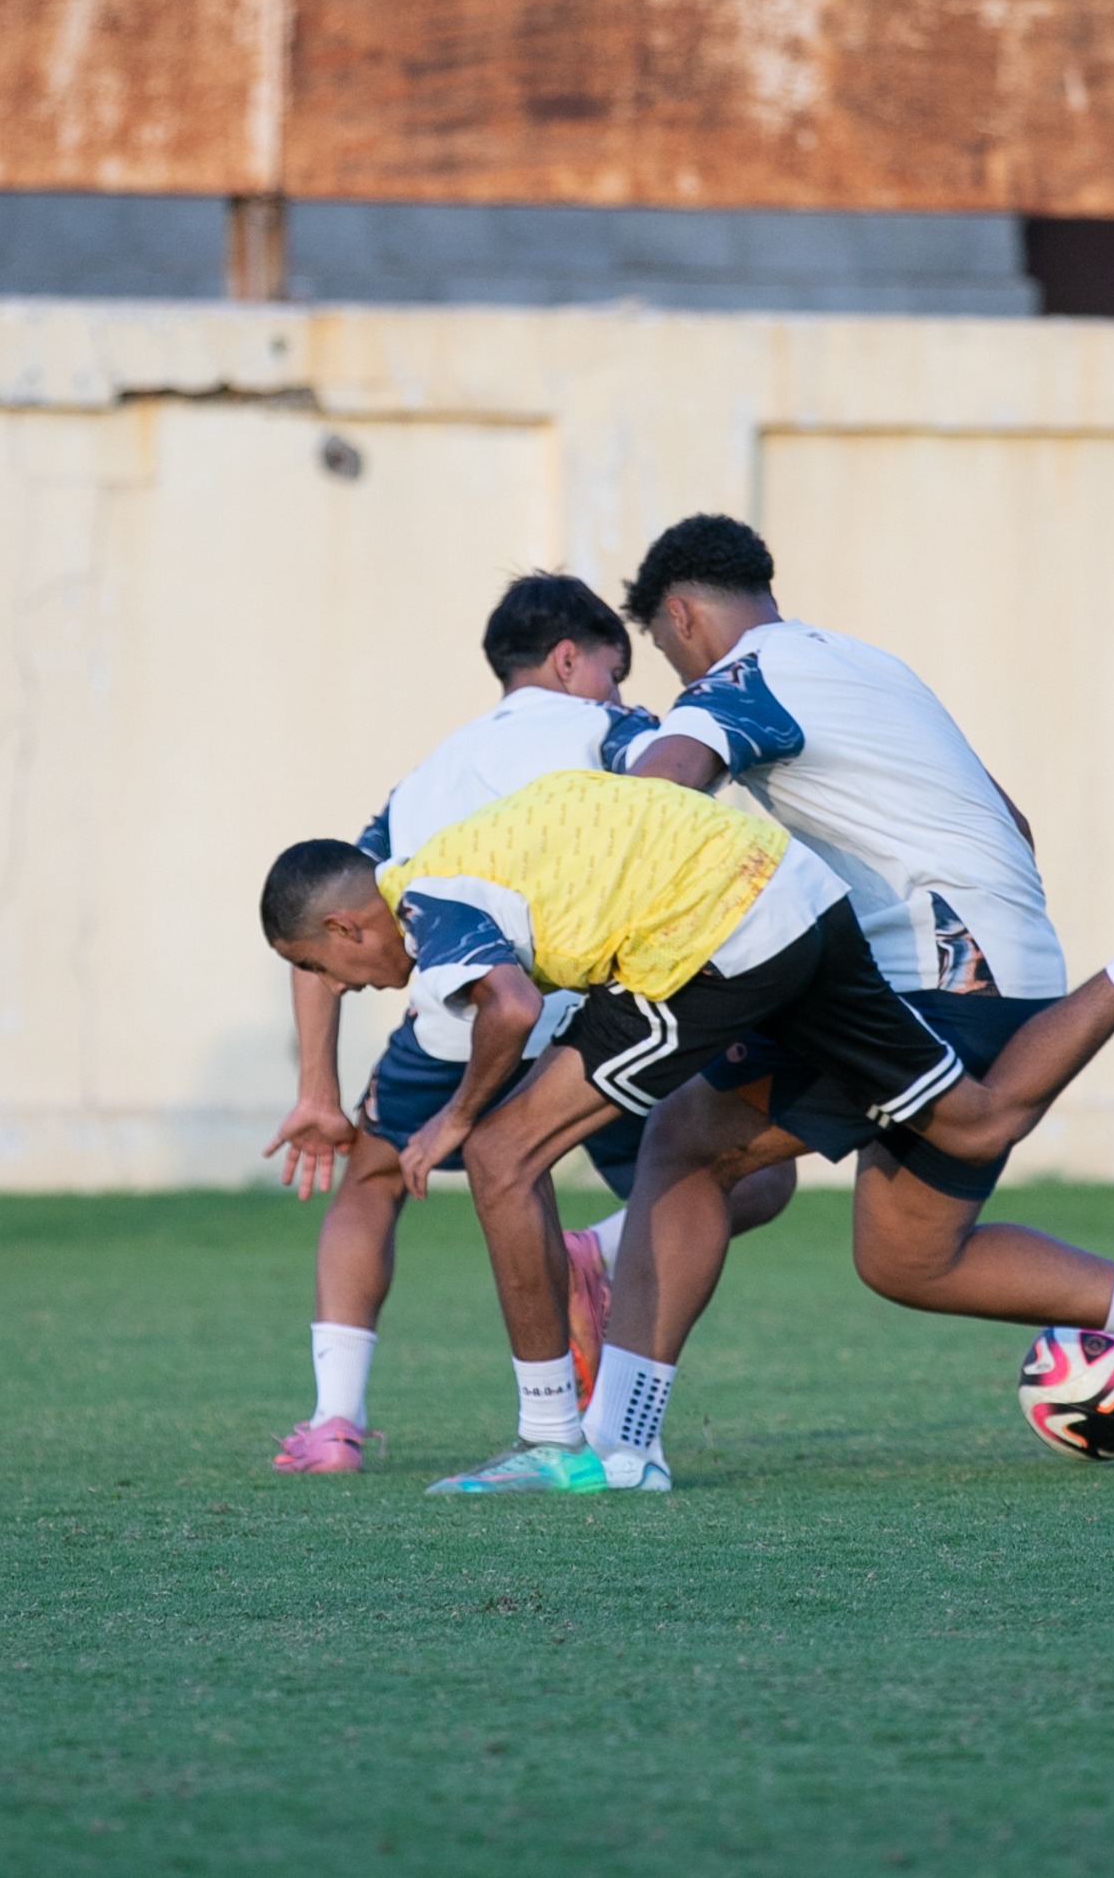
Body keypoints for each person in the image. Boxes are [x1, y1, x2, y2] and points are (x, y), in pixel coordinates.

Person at [260, 769, 1114, 1495]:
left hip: (712, 935)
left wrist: (453, 1113)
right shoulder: (465, 848)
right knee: (975, 1113)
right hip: (798, 898)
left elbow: (502, 1006)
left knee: (504, 1152)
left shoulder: (430, 903)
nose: (340, 984)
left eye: (322, 969)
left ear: (347, 928)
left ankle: (563, 1443)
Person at [578, 515, 1114, 1486]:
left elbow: (667, 794)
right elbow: (1014, 819)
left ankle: (616, 1444)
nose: (678, 677)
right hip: (1017, 968)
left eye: (670, 656)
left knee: (682, 1142)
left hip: (940, 974)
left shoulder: (739, 680)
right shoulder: (878, 668)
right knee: (907, 1253)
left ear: (681, 615)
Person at [263, 574, 794, 1474]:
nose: (623, 693)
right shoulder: (612, 730)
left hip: (458, 1019)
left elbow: (329, 911)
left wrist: (319, 1089)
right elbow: (677, 808)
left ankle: (333, 1424)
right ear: (570, 659)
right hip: (596, 1003)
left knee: (370, 1183)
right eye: (616, 673)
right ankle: (596, 1273)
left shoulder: (426, 776)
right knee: (735, 1176)